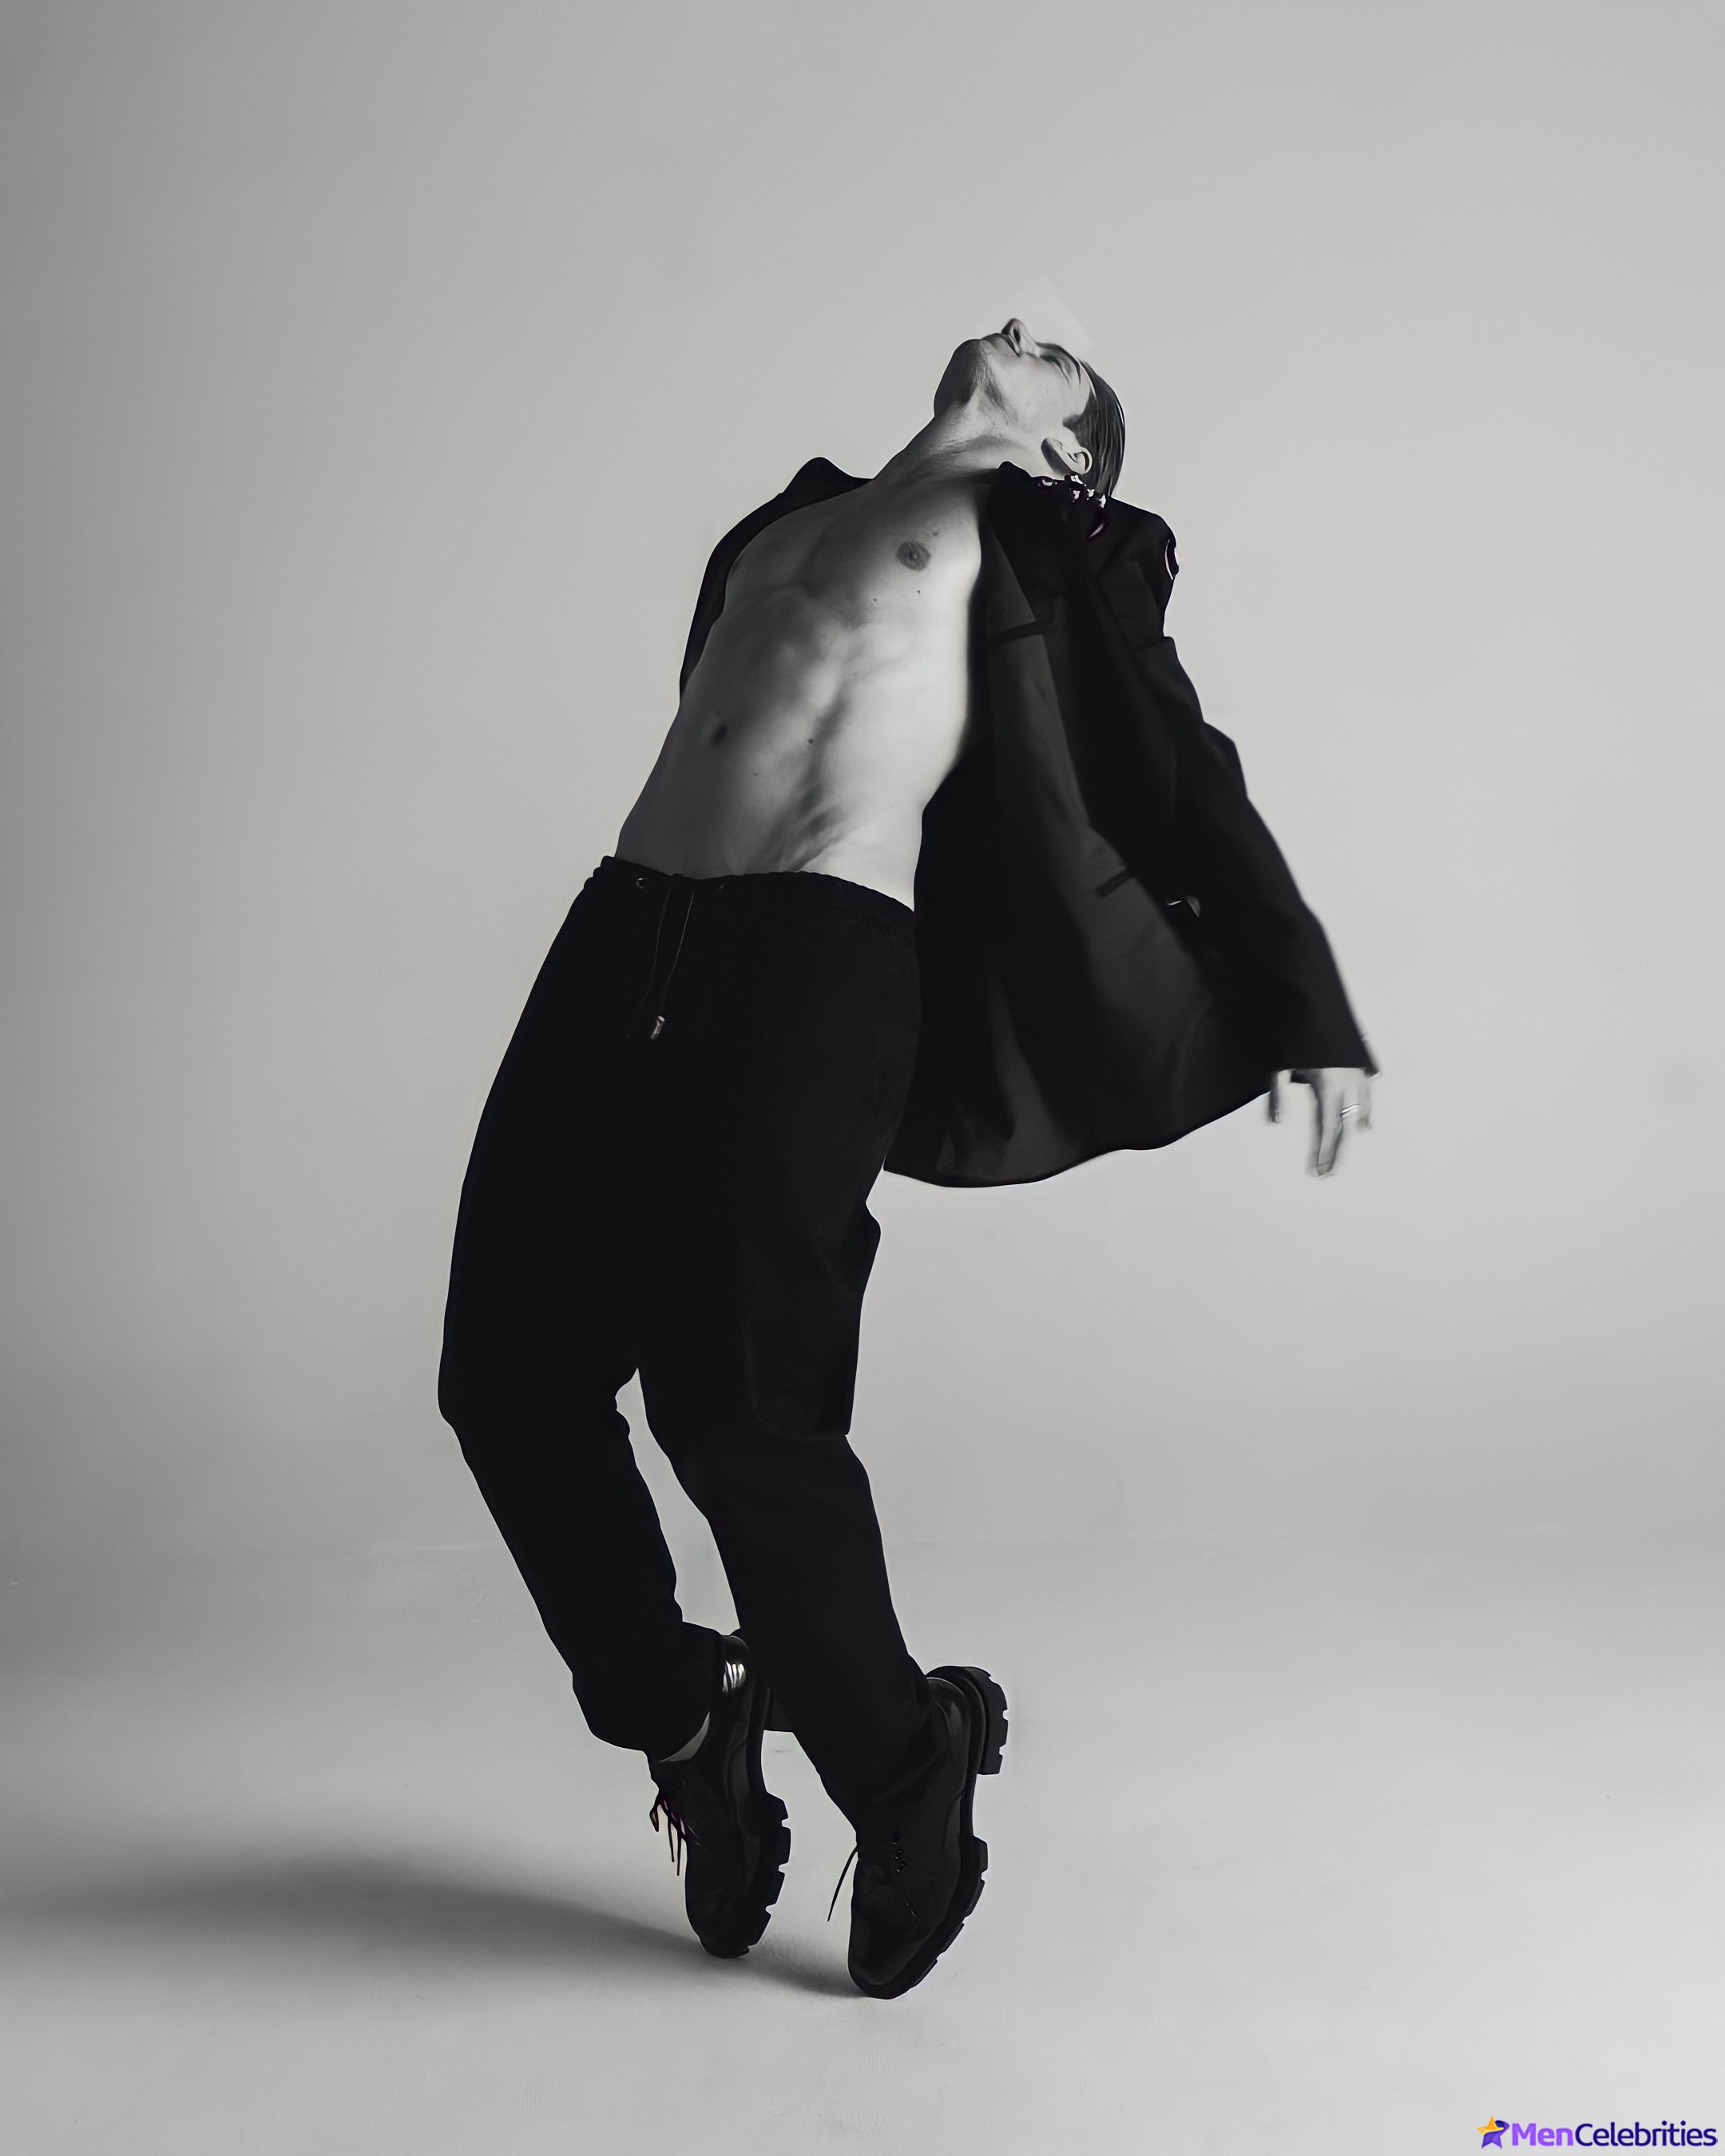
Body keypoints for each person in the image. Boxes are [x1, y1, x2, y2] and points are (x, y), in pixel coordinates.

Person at [437, 319, 1375, 2000]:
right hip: (625, 929)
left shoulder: (1043, 539)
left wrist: (1303, 998)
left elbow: (1178, 763)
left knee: (736, 1412)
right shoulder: (795, 517)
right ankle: (687, 1712)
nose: (1025, 328)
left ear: (1070, 449)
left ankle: (903, 1758)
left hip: (816, 952)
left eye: (1061, 358)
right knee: (504, 1377)